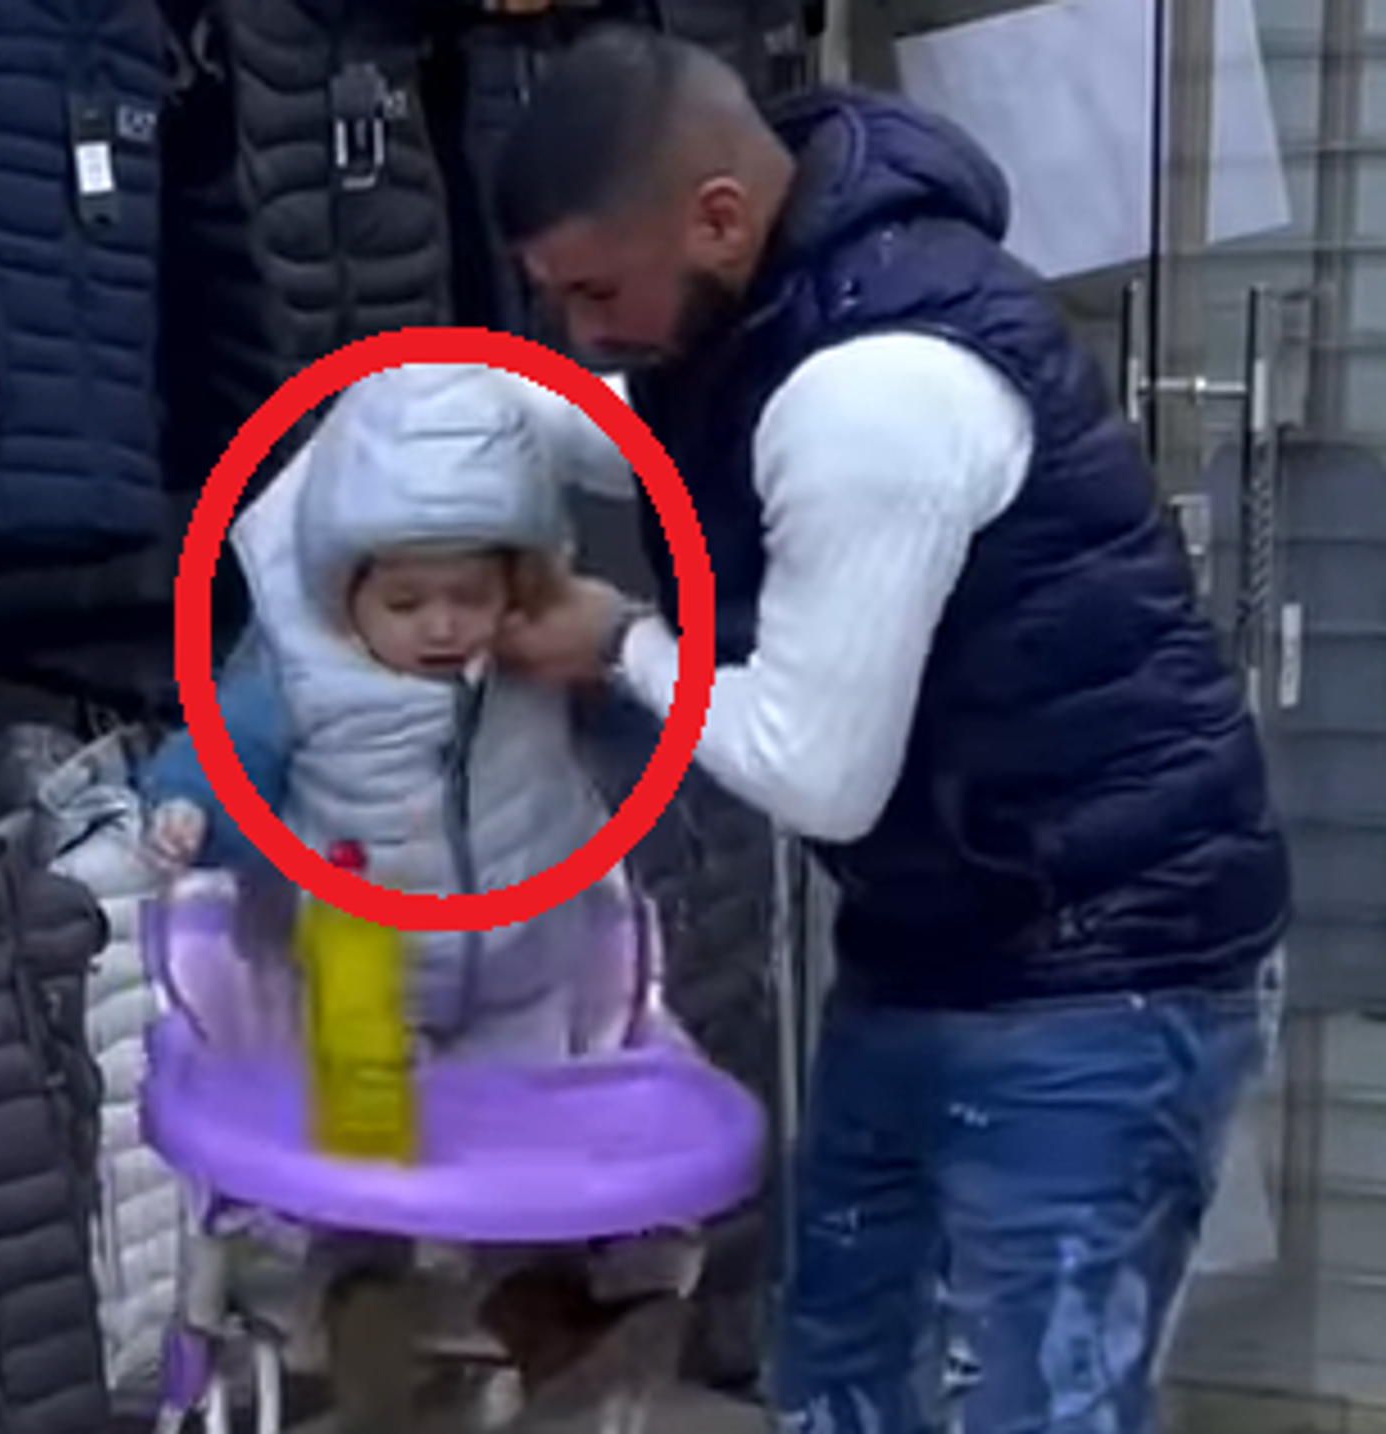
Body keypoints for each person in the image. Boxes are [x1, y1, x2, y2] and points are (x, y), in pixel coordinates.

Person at [483, 25, 1292, 1434]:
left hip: (1110, 961)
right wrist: (425, 432)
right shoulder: (756, 310)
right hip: (934, 937)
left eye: (596, 292)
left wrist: (619, 642)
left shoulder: (876, 388)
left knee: (1038, 1405)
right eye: (554, 300)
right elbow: (630, 419)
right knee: (840, 1377)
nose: (582, 333)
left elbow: (818, 773)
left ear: (718, 217)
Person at [137, 361, 688, 1430]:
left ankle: (558, 1333)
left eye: (468, 598)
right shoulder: (299, 671)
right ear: (342, 587)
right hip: (360, 958)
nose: (440, 625)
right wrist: (185, 807)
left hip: (522, 951)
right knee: (364, 1193)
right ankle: (372, 1360)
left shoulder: (537, 654)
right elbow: (224, 744)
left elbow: (641, 738)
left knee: (525, 1187)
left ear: (516, 584)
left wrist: (622, 658)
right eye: (405, 602)